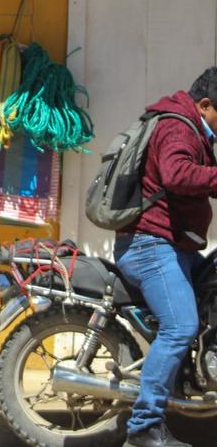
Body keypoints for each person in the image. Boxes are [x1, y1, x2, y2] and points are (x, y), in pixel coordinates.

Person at [114, 67, 217, 447]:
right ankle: (143, 428)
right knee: (181, 327)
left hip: (175, 244)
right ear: (206, 105)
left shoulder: (192, 126)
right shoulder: (178, 125)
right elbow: (176, 174)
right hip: (150, 245)